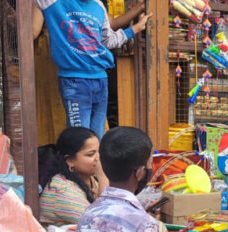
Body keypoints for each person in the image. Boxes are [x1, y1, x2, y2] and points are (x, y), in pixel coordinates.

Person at [32, 0, 151, 139]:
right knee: (80, 139)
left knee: (96, 138)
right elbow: (33, 31)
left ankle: (93, 160)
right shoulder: (53, 2)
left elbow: (108, 41)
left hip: (100, 78)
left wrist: (136, 28)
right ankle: (72, 160)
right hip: (74, 81)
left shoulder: (98, 6)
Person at [39, 127, 100, 226]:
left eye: (99, 152)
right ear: (70, 160)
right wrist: (103, 176)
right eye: (90, 154)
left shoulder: (91, 179)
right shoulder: (62, 190)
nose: (98, 159)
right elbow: (102, 226)